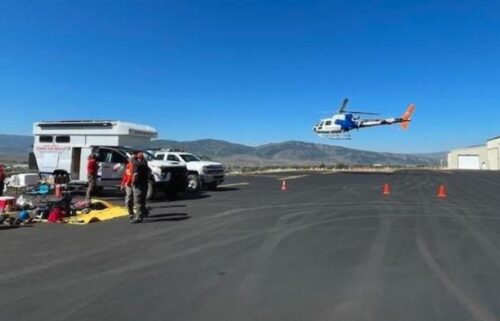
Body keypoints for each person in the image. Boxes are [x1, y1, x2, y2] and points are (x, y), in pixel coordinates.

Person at [121, 151, 150, 223]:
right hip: (130, 184)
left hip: (137, 184)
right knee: (130, 200)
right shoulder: (129, 165)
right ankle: (132, 213)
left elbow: (136, 173)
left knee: (138, 200)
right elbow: (126, 175)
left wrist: (134, 182)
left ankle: (140, 215)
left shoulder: (139, 164)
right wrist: (123, 184)